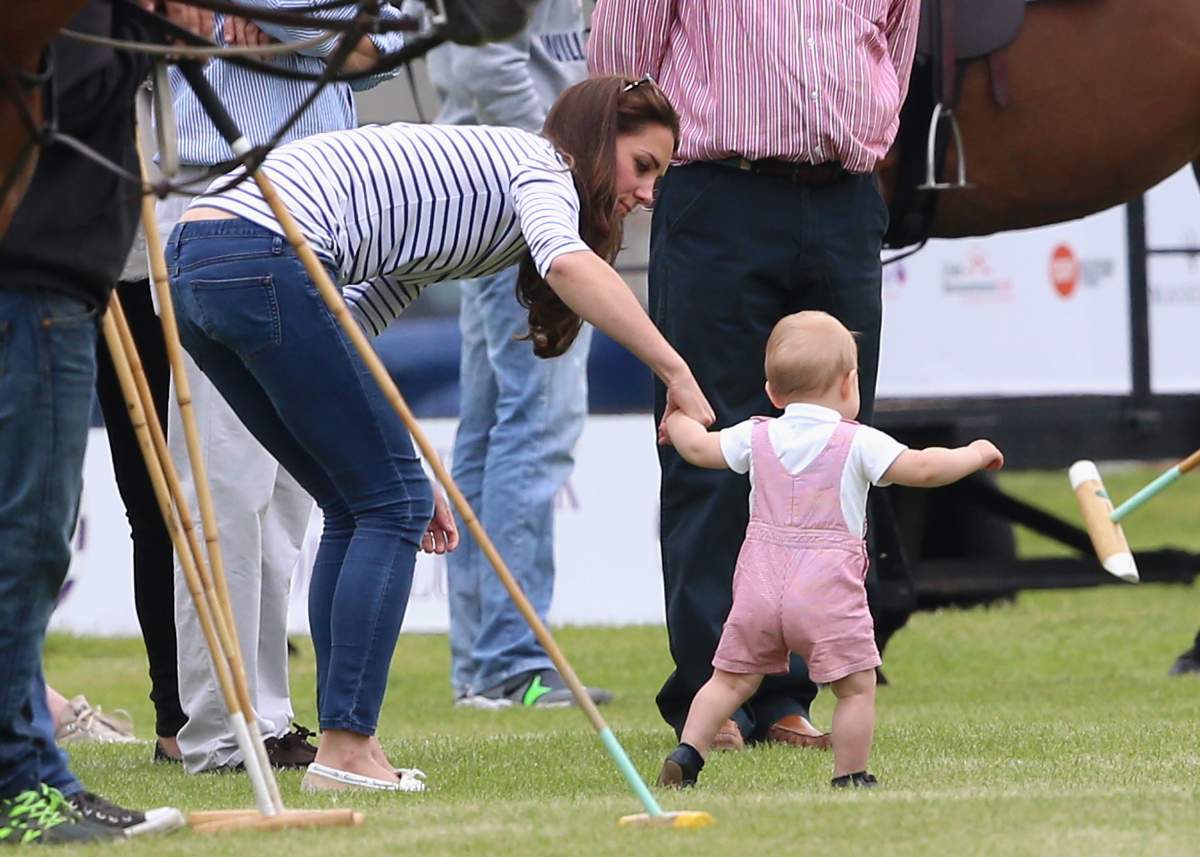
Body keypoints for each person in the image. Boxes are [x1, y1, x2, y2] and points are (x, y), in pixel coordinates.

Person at [165, 75, 713, 792]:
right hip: (263, 246)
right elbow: (568, 262)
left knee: (360, 499)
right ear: (595, 140)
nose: (647, 194)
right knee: (387, 503)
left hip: (196, 260)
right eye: (643, 166)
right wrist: (676, 372)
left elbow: (349, 326)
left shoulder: (477, 210)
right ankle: (346, 747)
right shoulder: (543, 166)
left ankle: (345, 740)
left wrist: (399, 461)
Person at [589, 0, 922, 750]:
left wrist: (864, 135)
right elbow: (621, 61)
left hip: (841, 197)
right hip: (719, 190)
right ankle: (714, 697)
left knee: (831, 453)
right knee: (705, 439)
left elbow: (895, 48)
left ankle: (787, 696)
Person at [129, 2, 408, 774]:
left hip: (324, 202)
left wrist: (293, 33)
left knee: (291, 492)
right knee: (224, 479)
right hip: (218, 188)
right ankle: (220, 727)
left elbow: (397, 33)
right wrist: (264, 29)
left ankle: (270, 715)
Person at [0, 0, 207, 843]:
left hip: (57, 290)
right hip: (34, 290)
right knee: (26, 546)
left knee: (30, 544)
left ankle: (37, 772)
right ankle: (24, 781)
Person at [655, 312, 1004, 789]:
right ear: (848, 384)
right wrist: (976, 453)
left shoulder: (756, 435)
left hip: (759, 587)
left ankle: (688, 752)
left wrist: (677, 420)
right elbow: (922, 468)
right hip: (825, 591)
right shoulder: (857, 441)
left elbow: (698, 449)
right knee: (855, 688)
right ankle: (850, 775)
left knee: (729, 680)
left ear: (774, 394)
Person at [424, 0, 610, 709]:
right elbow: (483, 58)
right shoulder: (546, 169)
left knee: (496, 424)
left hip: (491, 184)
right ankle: (510, 658)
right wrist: (563, 169)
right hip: (522, 192)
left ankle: (486, 662)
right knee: (536, 423)